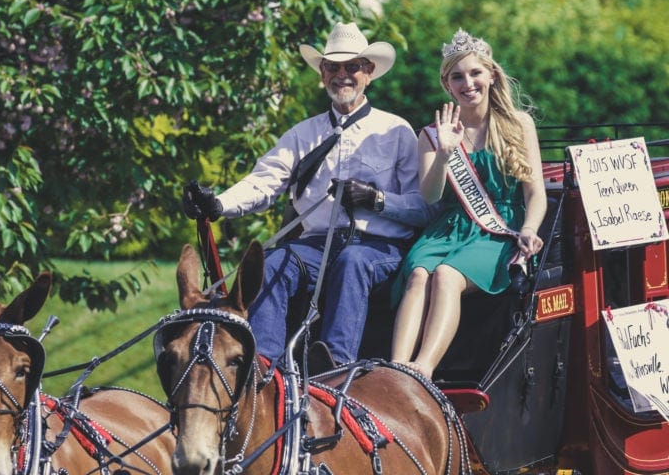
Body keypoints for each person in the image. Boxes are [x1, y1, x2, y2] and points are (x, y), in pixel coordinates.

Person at [183, 22, 435, 366]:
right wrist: (219, 204)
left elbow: (423, 208)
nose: (342, 75)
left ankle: (333, 363)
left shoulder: (397, 131)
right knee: (274, 264)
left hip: (377, 250)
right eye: (333, 67)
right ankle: (264, 367)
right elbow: (264, 181)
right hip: (316, 247)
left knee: (352, 262)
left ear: (369, 72)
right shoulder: (303, 134)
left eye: (352, 67)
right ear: (322, 72)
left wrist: (375, 199)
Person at [389, 28, 547, 379]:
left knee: (446, 276)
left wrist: (530, 229)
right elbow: (429, 196)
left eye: (476, 73)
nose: (468, 83)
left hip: (495, 232)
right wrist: (444, 154)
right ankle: (396, 369)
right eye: (457, 76)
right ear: (447, 85)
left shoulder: (518, 125)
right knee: (418, 274)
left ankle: (423, 368)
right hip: (447, 231)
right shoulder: (432, 133)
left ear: (492, 75)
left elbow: (534, 192)